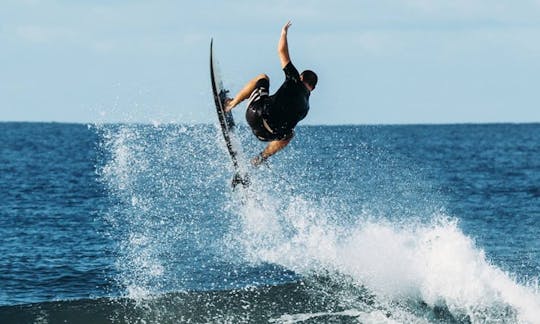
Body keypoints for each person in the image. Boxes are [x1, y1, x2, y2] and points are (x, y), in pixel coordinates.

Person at [225, 21, 318, 166]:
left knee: (263, 78)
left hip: (255, 116)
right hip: (264, 136)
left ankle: (230, 104)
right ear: (312, 88)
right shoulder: (306, 108)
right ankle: (261, 158)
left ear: (301, 77)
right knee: (290, 134)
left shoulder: (294, 79)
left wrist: (284, 32)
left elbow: (282, 51)